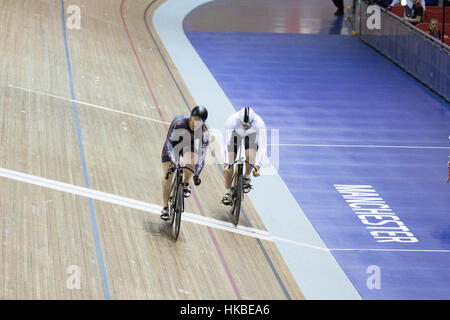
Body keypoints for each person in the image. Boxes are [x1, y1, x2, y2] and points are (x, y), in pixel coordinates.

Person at [160, 106, 209, 220]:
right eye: (193, 120)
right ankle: (165, 207)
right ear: (190, 117)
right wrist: (174, 159)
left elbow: (201, 158)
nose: (195, 124)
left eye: (198, 122)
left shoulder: (203, 133)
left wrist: (196, 174)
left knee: (191, 163)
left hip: (190, 146)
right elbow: (169, 145)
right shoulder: (179, 123)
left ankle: (186, 183)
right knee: (168, 175)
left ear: (203, 123)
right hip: (174, 144)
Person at [221, 107, 267, 205]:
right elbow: (225, 144)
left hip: (251, 135)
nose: (246, 126)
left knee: (250, 156)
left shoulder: (259, 123)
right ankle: (228, 192)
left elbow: (263, 147)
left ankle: (246, 177)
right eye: (244, 124)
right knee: (230, 161)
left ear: (253, 121)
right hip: (235, 135)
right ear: (239, 120)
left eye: (248, 124)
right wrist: (226, 163)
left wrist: (258, 166)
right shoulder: (232, 120)